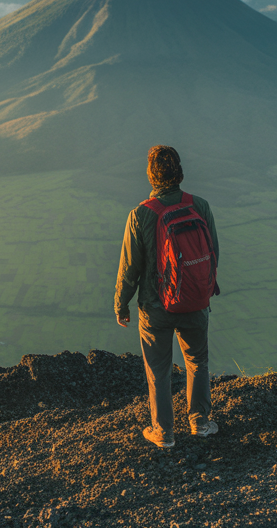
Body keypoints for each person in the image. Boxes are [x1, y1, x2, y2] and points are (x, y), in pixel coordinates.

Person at [115, 145, 220, 448]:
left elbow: (129, 267)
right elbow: (213, 253)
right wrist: (201, 288)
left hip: (155, 307)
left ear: (151, 175)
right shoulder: (200, 206)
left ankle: (163, 433)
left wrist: (121, 303)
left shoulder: (140, 215)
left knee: (158, 369)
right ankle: (200, 423)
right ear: (180, 172)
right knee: (197, 361)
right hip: (196, 302)